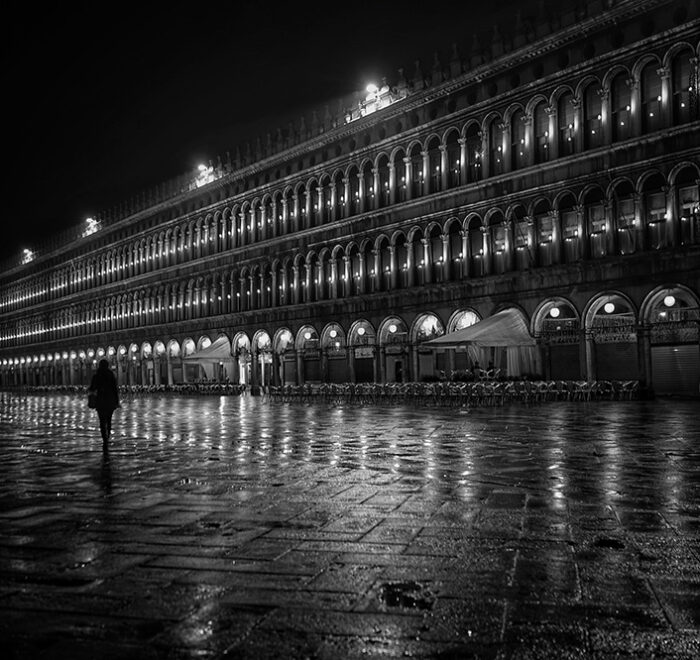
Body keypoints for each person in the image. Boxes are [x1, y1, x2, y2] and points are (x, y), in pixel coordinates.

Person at [89, 359, 120, 445]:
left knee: (102, 420)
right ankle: (108, 434)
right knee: (109, 419)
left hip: (100, 400)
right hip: (110, 400)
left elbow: (92, 388)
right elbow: (115, 389)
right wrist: (117, 401)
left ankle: (104, 437)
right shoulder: (111, 375)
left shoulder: (96, 375)